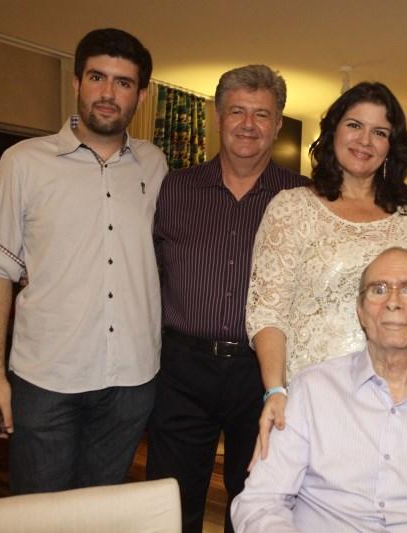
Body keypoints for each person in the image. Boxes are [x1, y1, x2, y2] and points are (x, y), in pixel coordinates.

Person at [0, 28, 166, 493]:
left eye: (123, 82)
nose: (108, 93)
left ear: (140, 96)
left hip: (132, 380)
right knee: (39, 514)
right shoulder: (23, 162)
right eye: (97, 77)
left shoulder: (155, 165)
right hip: (47, 379)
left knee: (100, 512)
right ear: (77, 82)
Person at [247, 81, 407, 461]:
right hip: (316, 403)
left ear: (391, 145)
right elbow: (267, 311)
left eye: (380, 132)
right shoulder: (291, 208)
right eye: (354, 125)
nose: (365, 140)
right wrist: (275, 390)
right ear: (333, 131)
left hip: (406, 401)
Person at [232, 247, 407, 532]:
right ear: (360, 311)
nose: (393, 302)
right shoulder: (311, 392)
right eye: (378, 289)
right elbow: (261, 503)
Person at [146, 64, 308, 533]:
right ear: (218, 117)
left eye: (262, 114)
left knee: (256, 501)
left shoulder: (302, 197)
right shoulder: (174, 189)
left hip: (263, 373)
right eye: (237, 111)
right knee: (170, 502)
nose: (248, 124)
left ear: (278, 124)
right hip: (181, 369)